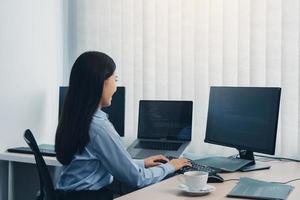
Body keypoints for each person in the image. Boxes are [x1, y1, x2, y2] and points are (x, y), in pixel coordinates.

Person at [55, 51, 191, 200]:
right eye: (115, 79)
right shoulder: (99, 128)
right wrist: (171, 166)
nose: (115, 88)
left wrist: (142, 162)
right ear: (102, 82)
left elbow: (95, 163)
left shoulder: (75, 117)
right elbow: (137, 179)